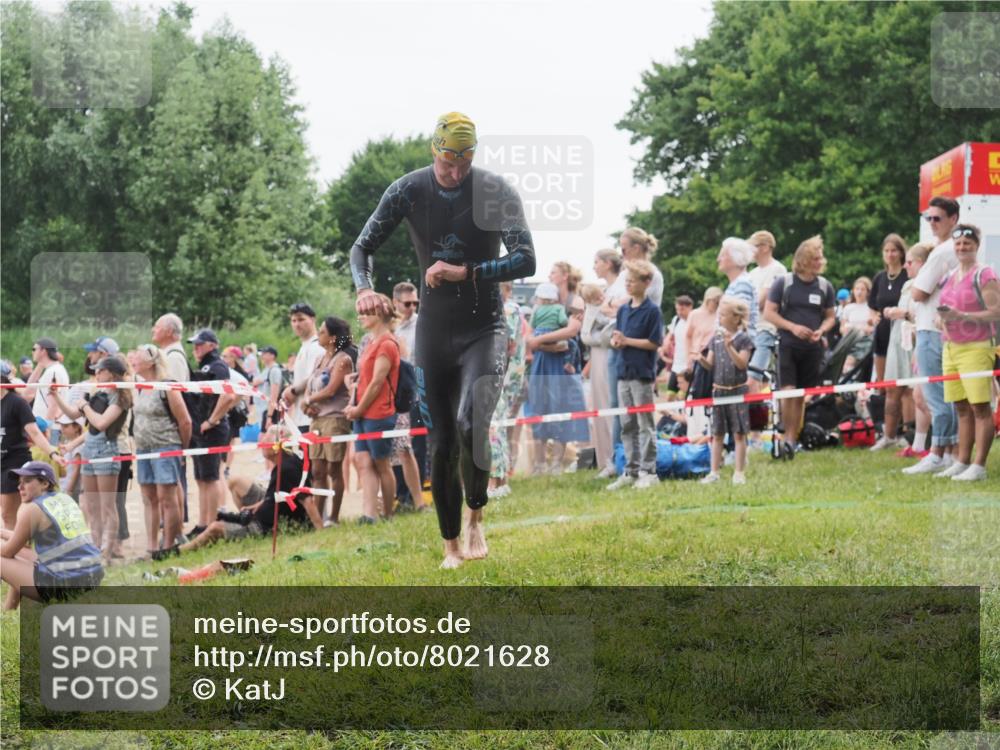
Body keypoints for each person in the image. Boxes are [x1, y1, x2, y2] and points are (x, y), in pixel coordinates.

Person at [349, 112, 535, 569]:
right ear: (435, 151)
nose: (456, 172)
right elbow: (361, 248)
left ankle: (476, 516)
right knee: (442, 440)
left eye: (465, 162)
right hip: (435, 331)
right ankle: (450, 543)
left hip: (485, 326)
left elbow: (527, 259)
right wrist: (364, 288)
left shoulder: (493, 191)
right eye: (449, 162)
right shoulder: (408, 190)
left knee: (473, 423)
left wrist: (466, 271)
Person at [933, 225, 1000, 481]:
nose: (962, 248)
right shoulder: (950, 275)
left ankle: (979, 465)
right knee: (960, 408)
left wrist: (963, 316)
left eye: (967, 244)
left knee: (980, 407)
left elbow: (997, 311)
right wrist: (943, 320)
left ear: (976, 245)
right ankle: (962, 461)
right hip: (950, 347)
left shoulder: (984, 274)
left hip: (976, 346)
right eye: (958, 244)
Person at [49, 356, 131, 561]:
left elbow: (101, 423)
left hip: (107, 451)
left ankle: (107, 552)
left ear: (110, 373)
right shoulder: (99, 393)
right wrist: (56, 396)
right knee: (91, 506)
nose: (95, 374)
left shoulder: (121, 398)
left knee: (108, 506)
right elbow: (74, 415)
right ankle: (95, 547)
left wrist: (85, 406)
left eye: (99, 371)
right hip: (90, 451)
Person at [179, 429, 316, 552]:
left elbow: (307, 500)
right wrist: (255, 507)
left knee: (215, 528)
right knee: (235, 491)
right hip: (267, 517)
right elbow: (274, 496)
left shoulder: (287, 469)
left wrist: (319, 532)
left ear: (276, 447)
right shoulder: (285, 463)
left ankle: (180, 551)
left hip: (265, 527)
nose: (261, 443)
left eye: (265, 441)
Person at [903, 196, 960, 475]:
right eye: (929, 218)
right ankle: (948, 452)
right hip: (939, 328)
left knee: (936, 396)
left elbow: (918, 292)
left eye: (937, 218)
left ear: (953, 219)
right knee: (944, 394)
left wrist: (917, 287)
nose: (932, 224)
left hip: (931, 328)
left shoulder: (942, 252)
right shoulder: (947, 249)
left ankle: (938, 452)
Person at [763, 236, 836, 455]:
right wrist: (793, 327)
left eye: (820, 257)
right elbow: (769, 313)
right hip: (788, 344)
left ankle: (793, 438)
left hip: (812, 347)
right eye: (815, 257)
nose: (819, 261)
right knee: (788, 391)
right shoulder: (784, 283)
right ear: (803, 259)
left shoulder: (825, 286)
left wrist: (822, 330)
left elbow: (831, 316)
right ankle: (787, 437)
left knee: (801, 394)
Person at [1, 461, 104, 610]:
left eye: (27, 481)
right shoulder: (65, 499)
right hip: (91, 578)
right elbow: (25, 545)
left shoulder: (32, 509)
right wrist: (3, 533)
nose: (20, 487)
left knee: (4, 556)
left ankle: (8, 611)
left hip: (64, 586)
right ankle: (8, 611)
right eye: (19, 482)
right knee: (22, 553)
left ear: (44, 484)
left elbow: (8, 552)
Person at [526, 266, 590, 475]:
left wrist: (539, 340)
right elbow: (530, 336)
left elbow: (572, 331)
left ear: (565, 276)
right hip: (543, 360)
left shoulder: (574, 301)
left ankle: (556, 463)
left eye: (553, 272)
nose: (549, 275)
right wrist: (542, 343)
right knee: (539, 407)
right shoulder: (544, 305)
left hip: (562, 362)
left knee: (561, 408)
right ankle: (539, 463)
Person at [606, 259, 663, 491]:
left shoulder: (652, 311)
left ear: (646, 283)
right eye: (626, 281)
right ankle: (630, 469)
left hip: (642, 374)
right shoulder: (623, 310)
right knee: (626, 424)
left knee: (645, 424)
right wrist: (616, 342)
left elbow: (654, 342)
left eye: (632, 281)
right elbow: (616, 337)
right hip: (623, 371)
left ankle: (648, 471)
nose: (628, 285)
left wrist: (627, 341)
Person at [131, 344, 191, 559]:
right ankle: (152, 547)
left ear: (151, 362)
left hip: (166, 447)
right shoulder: (138, 386)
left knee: (167, 498)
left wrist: (181, 450)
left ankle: (167, 546)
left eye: (137, 358)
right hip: (144, 449)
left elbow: (185, 421)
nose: (134, 361)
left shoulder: (167, 386)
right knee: (148, 498)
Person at [345, 297, 401, 524]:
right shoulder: (370, 342)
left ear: (379, 314)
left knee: (382, 464)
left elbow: (378, 382)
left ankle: (388, 513)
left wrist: (358, 408)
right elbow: (367, 378)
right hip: (362, 412)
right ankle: (369, 514)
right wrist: (353, 397)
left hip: (378, 413)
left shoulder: (387, 343)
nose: (361, 317)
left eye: (366, 313)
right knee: (363, 462)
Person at [301, 316, 354, 524]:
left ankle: (334, 516)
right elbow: (311, 386)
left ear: (332, 338)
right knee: (318, 470)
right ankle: (319, 517)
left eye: (322, 331)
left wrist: (308, 399)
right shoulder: (319, 359)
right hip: (317, 420)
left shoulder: (343, 360)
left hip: (334, 419)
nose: (318, 334)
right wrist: (306, 404)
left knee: (334, 469)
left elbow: (331, 390)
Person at [881, 243, 933, 457]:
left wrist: (903, 313)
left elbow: (923, 316)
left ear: (921, 263)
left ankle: (941, 446)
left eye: (910, 262)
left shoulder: (928, 286)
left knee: (921, 398)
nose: (906, 266)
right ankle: (919, 445)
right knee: (919, 397)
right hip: (906, 343)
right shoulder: (908, 285)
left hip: (923, 343)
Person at [185, 329, 238, 535]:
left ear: (212, 345)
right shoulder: (204, 366)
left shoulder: (217, 365)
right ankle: (202, 523)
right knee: (201, 478)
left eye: (200, 344)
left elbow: (229, 396)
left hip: (212, 429)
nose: (196, 348)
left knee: (212, 477)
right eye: (194, 344)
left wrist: (211, 420)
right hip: (202, 429)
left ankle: (210, 524)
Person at [698, 297, 754, 485]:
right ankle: (714, 472)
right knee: (718, 433)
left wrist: (730, 346)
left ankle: (739, 472)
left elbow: (742, 364)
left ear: (735, 318)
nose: (719, 318)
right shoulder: (716, 338)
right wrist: (700, 358)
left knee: (739, 433)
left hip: (737, 391)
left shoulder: (743, 340)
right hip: (719, 392)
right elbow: (710, 364)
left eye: (723, 314)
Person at [1, 361, 61, 530]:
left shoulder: (17, 403)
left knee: (9, 515)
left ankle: (15, 552)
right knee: (6, 515)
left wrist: (52, 453)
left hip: (14, 463)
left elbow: (34, 432)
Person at [868, 234, 912, 450]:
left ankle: (907, 432)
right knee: (885, 386)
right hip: (883, 335)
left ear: (901, 252)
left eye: (894, 250)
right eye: (886, 251)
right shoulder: (879, 278)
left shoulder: (907, 276)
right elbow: (872, 305)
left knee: (906, 388)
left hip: (903, 336)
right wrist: (874, 316)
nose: (890, 254)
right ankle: (887, 433)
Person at [488, 281, 528, 499]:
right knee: (497, 427)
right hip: (503, 376)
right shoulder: (508, 309)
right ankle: (500, 480)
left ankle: (496, 481)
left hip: (503, 377)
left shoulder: (509, 309)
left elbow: (506, 345)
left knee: (493, 426)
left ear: (507, 289)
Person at [591, 249, 623, 477]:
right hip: (599, 350)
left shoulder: (618, 288)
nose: (594, 266)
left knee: (612, 404)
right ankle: (607, 457)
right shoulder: (606, 291)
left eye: (596, 262)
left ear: (608, 263)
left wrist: (604, 310)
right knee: (603, 404)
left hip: (610, 349)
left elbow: (613, 316)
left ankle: (615, 458)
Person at [747, 230, 787, 387]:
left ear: (765, 247)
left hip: (766, 329)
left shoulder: (777, 269)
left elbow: (762, 301)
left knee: (754, 376)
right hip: (750, 329)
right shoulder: (752, 273)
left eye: (753, 246)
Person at [282, 303, 326, 433]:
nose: (297, 324)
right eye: (293, 320)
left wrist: (293, 390)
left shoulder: (317, 347)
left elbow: (315, 376)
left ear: (313, 320)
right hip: (301, 417)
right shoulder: (304, 347)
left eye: (301, 319)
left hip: (313, 417)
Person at [22, 337, 69, 443]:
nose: (32, 352)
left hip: (48, 428)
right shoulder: (52, 370)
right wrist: (40, 365)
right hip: (45, 425)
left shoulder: (54, 372)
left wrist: (46, 428)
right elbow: (27, 392)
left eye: (34, 349)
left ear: (43, 351)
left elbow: (54, 404)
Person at [716, 236, 759, 336]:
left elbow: (739, 319)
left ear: (735, 258)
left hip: (737, 347)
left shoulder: (743, 284)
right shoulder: (737, 283)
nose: (718, 259)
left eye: (722, 255)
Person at [840, 276, 875, 373]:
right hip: (850, 341)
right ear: (853, 291)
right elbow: (842, 328)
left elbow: (872, 328)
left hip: (865, 342)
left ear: (867, 292)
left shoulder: (871, 308)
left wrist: (858, 328)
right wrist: (848, 329)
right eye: (857, 289)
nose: (859, 292)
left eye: (862, 289)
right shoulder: (848, 308)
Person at [663, 295, 694, 396]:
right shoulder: (676, 320)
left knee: (683, 395)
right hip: (677, 363)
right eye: (677, 309)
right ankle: (672, 412)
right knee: (670, 395)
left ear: (690, 307)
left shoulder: (694, 320)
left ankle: (683, 412)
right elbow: (670, 333)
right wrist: (666, 342)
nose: (679, 312)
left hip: (688, 364)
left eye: (682, 309)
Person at [254, 345, 283, 431]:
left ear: (272, 356)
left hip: (270, 409)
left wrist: (269, 416)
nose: (262, 356)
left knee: (266, 439)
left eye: (265, 353)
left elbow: (274, 395)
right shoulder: (266, 369)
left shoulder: (274, 370)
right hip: (264, 409)